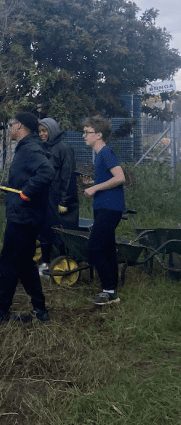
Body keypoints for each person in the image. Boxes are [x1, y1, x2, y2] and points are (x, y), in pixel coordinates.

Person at [0, 112, 54, 324]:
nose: (9, 128)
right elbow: (19, 182)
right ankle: (40, 311)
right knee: (25, 263)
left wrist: (28, 191)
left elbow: (46, 172)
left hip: (23, 217)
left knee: (9, 262)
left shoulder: (30, 148)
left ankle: (0, 313)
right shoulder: (27, 147)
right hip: (24, 215)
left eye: (11, 125)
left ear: (20, 126)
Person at [83, 115, 126, 304]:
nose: (84, 135)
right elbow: (109, 178)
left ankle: (109, 291)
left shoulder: (106, 152)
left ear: (99, 135)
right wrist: (93, 182)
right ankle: (111, 289)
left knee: (94, 248)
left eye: (87, 132)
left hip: (110, 208)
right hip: (104, 207)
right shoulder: (100, 155)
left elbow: (120, 177)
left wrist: (94, 188)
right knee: (107, 249)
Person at [37, 117, 79, 275]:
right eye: (40, 131)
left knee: (63, 234)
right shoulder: (42, 148)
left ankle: (63, 264)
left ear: (52, 130)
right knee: (45, 232)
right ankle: (45, 265)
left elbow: (68, 178)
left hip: (60, 201)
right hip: (46, 200)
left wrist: (64, 201)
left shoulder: (64, 149)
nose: (42, 134)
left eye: (44, 130)